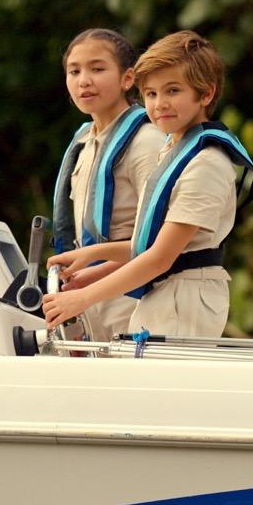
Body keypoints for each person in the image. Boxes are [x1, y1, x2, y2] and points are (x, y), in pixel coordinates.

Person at [43, 30, 253, 338]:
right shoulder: (173, 150)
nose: (159, 104)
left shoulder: (205, 162)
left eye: (173, 91)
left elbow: (162, 256)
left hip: (183, 298)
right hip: (162, 293)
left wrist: (82, 297)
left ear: (206, 94)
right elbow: (150, 244)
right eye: (151, 94)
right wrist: (92, 261)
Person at [50, 28, 164, 341]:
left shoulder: (147, 141)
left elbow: (161, 240)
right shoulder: (84, 142)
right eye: (74, 71)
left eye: (97, 69)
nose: (84, 80)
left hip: (133, 297)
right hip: (88, 294)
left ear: (128, 79)